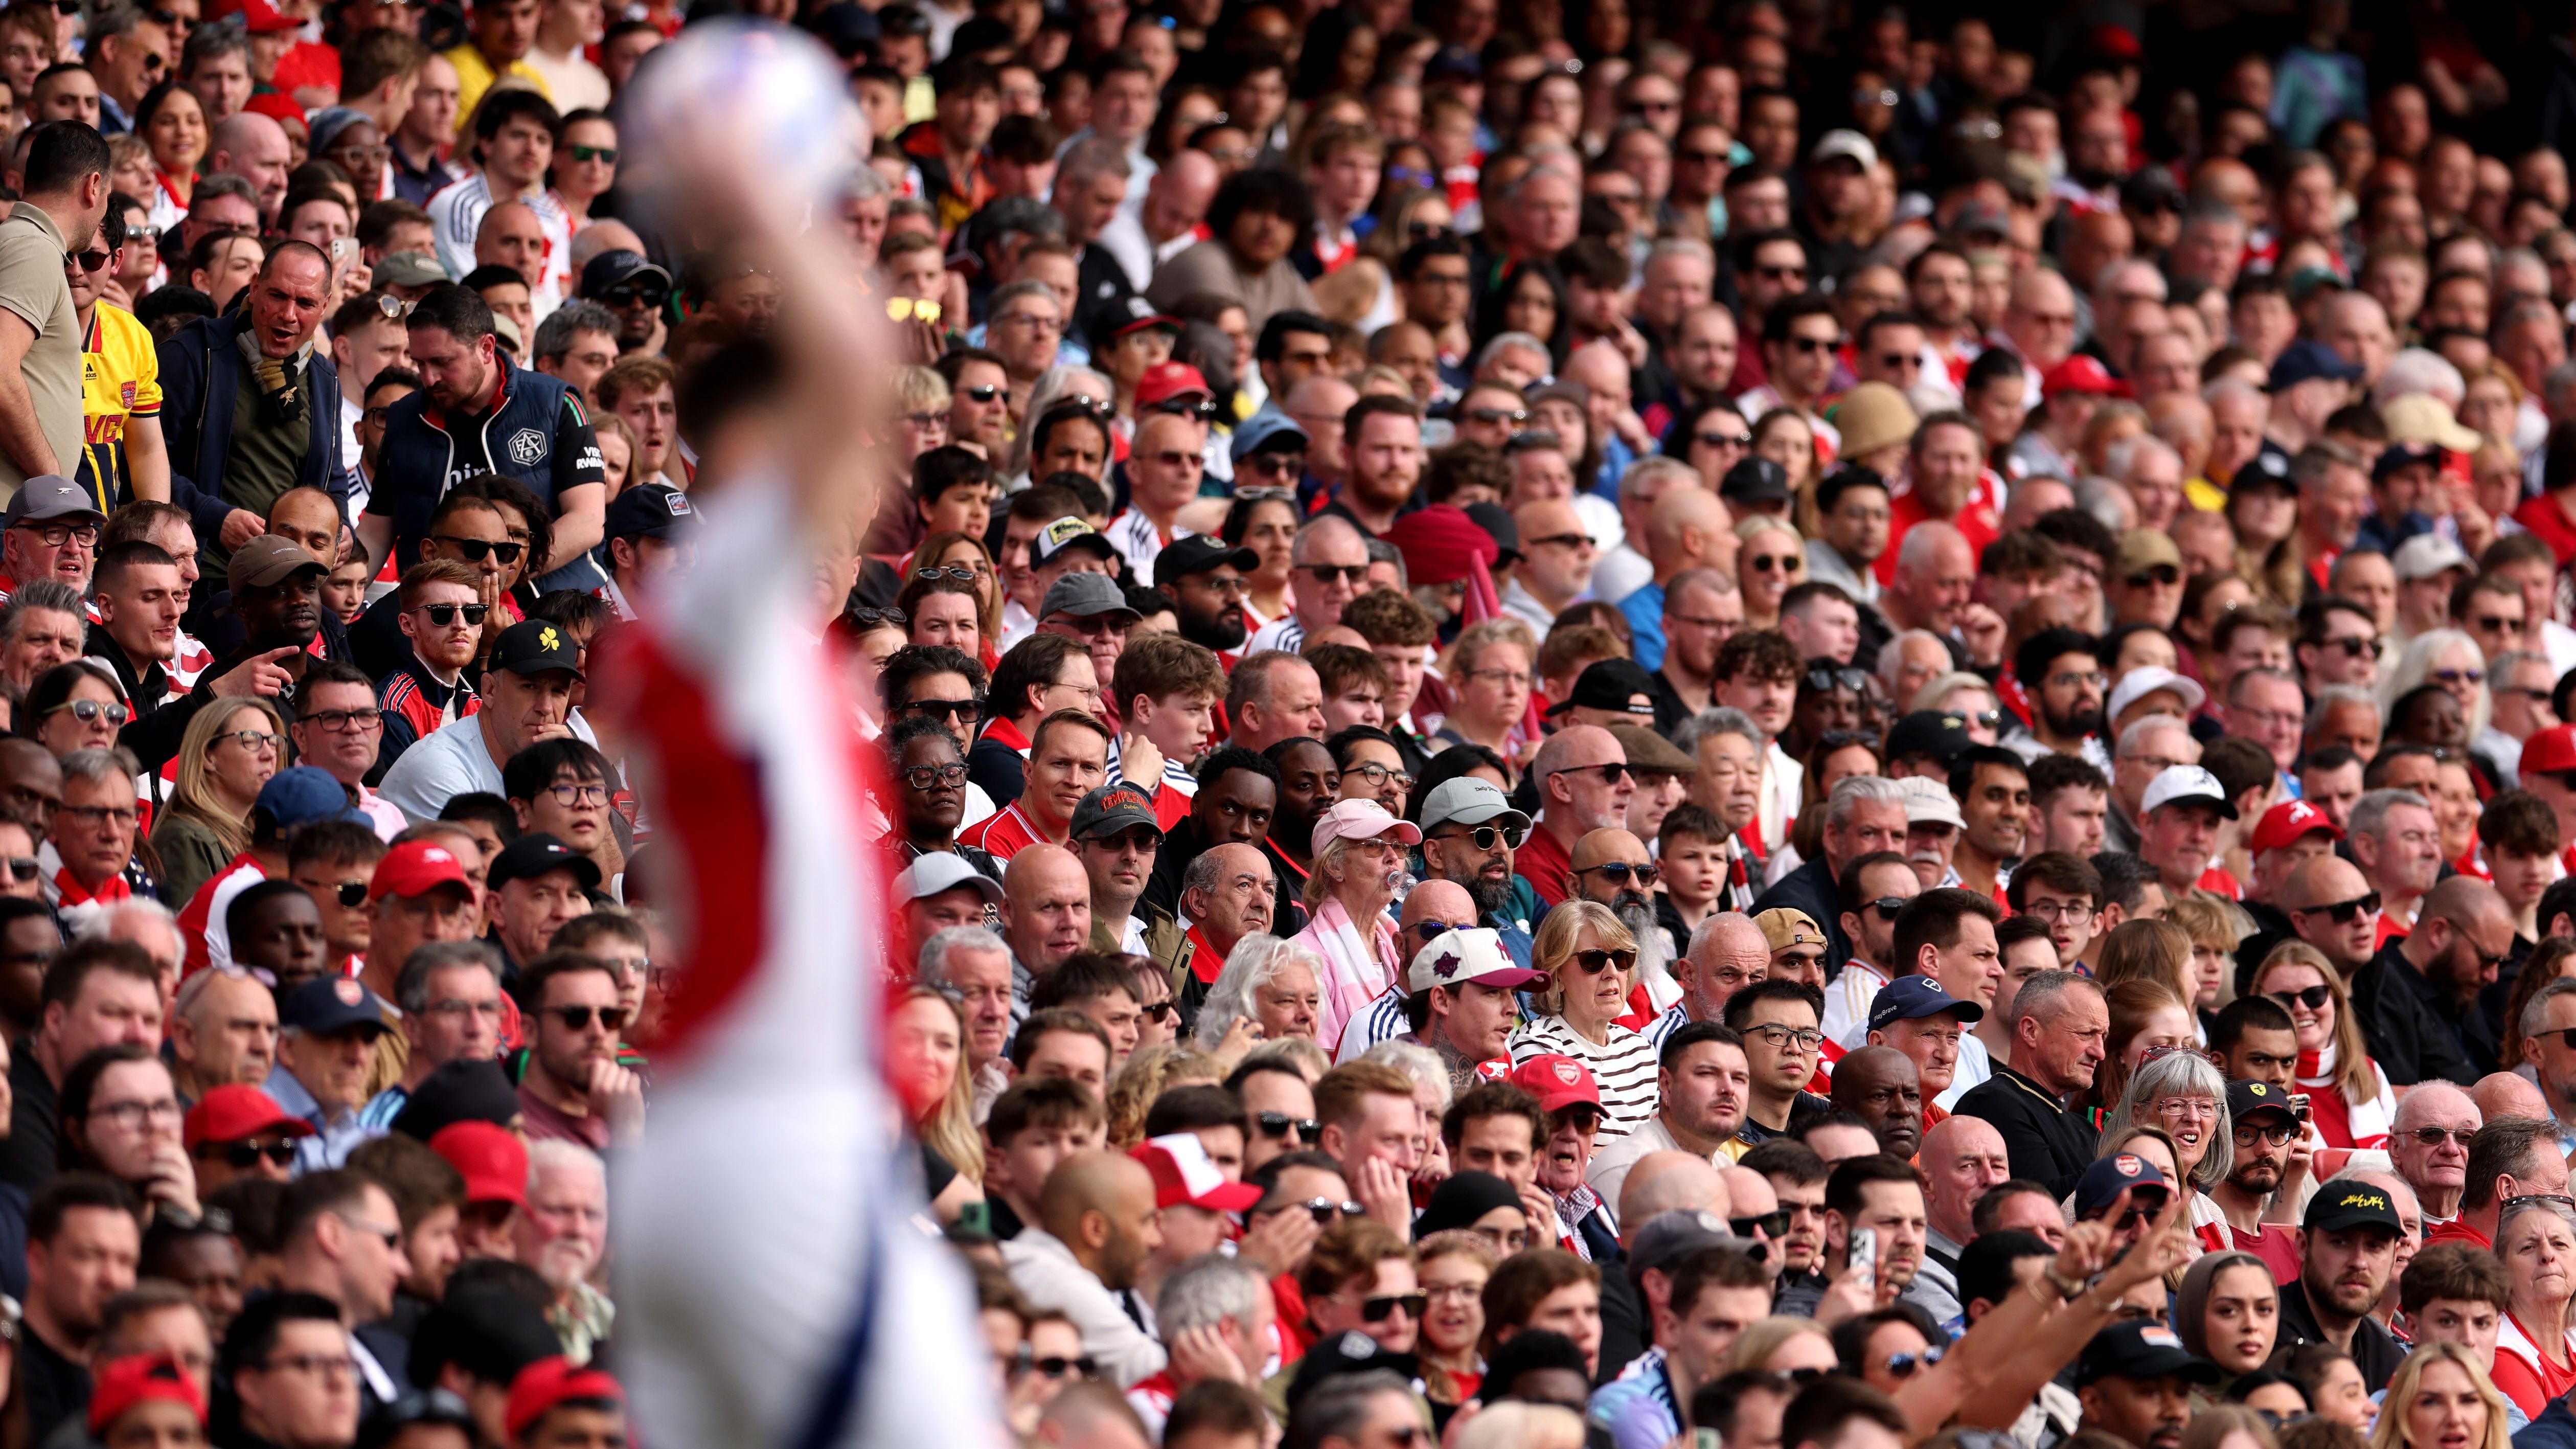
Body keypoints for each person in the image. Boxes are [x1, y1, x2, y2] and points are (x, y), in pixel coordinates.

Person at [361, 282, 604, 592]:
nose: (428, 378)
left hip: (550, 603)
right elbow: (375, 531)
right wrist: (336, 593)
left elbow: (588, 520)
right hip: (436, 615)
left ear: (487, 348)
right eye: (419, 363)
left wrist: (504, 576)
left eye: (443, 362)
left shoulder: (555, 403)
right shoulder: (403, 418)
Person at [0, 123, 109, 501]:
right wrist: (57, 485)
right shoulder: (32, 248)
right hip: (14, 510)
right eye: (108, 194)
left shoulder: (21, 242)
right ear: (93, 186)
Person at [1951, 969, 2106, 1196]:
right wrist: (2127, 1164)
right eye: (2086, 1034)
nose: (2099, 1052)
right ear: (2031, 1031)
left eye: (2103, 1036)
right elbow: (2042, 1206)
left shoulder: (2086, 1129)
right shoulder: (1993, 1105)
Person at [2277, 1176, 2409, 1393]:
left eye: (2375, 1246)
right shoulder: (2263, 1333)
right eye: (2340, 1242)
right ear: (2303, 1245)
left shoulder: (2388, 1358)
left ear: (2395, 1256)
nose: (2359, 1262)